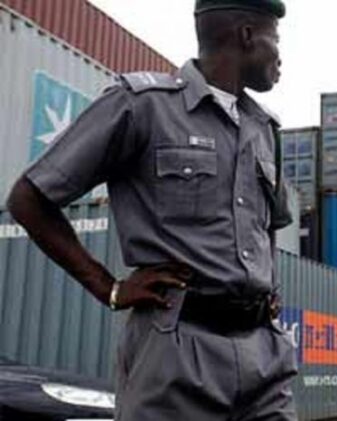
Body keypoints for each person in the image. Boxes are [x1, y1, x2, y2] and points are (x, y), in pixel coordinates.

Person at [6, 0, 297, 419]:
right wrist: (108, 287)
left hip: (265, 359)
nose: (280, 56)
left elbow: (269, 226)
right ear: (247, 35)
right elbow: (28, 199)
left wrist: (269, 290)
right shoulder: (141, 105)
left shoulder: (265, 129)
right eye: (276, 39)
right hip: (177, 357)